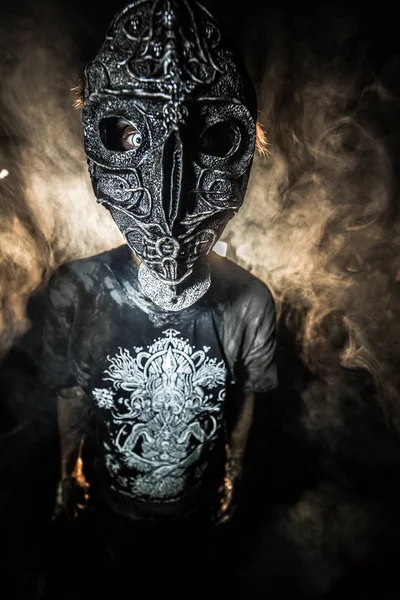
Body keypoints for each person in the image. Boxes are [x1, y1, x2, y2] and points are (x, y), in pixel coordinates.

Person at [1, 0, 277, 595]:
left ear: (248, 147)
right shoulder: (80, 289)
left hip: (195, 513)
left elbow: (249, 395)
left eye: (214, 137)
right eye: (130, 135)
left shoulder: (251, 303)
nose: (171, 201)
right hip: (111, 505)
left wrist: (233, 469)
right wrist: (66, 473)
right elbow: (73, 392)